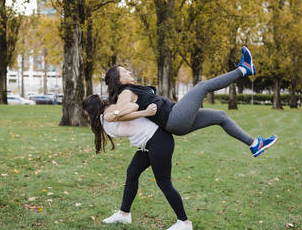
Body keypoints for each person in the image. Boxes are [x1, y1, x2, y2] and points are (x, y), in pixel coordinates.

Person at [104, 46, 277, 158]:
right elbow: (116, 115)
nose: (129, 73)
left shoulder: (131, 90)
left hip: (176, 118)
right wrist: (144, 113)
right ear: (118, 80)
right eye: (124, 72)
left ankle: (255, 144)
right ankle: (243, 69)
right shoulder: (125, 93)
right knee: (202, 86)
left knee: (221, 116)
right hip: (174, 118)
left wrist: (142, 111)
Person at [82, 94, 193, 230]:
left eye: (86, 113)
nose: (86, 117)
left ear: (92, 110)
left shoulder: (111, 113)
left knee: (164, 182)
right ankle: (124, 214)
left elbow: (132, 108)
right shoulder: (106, 117)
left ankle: (184, 222)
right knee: (132, 173)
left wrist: (136, 113)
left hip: (158, 141)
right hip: (148, 143)